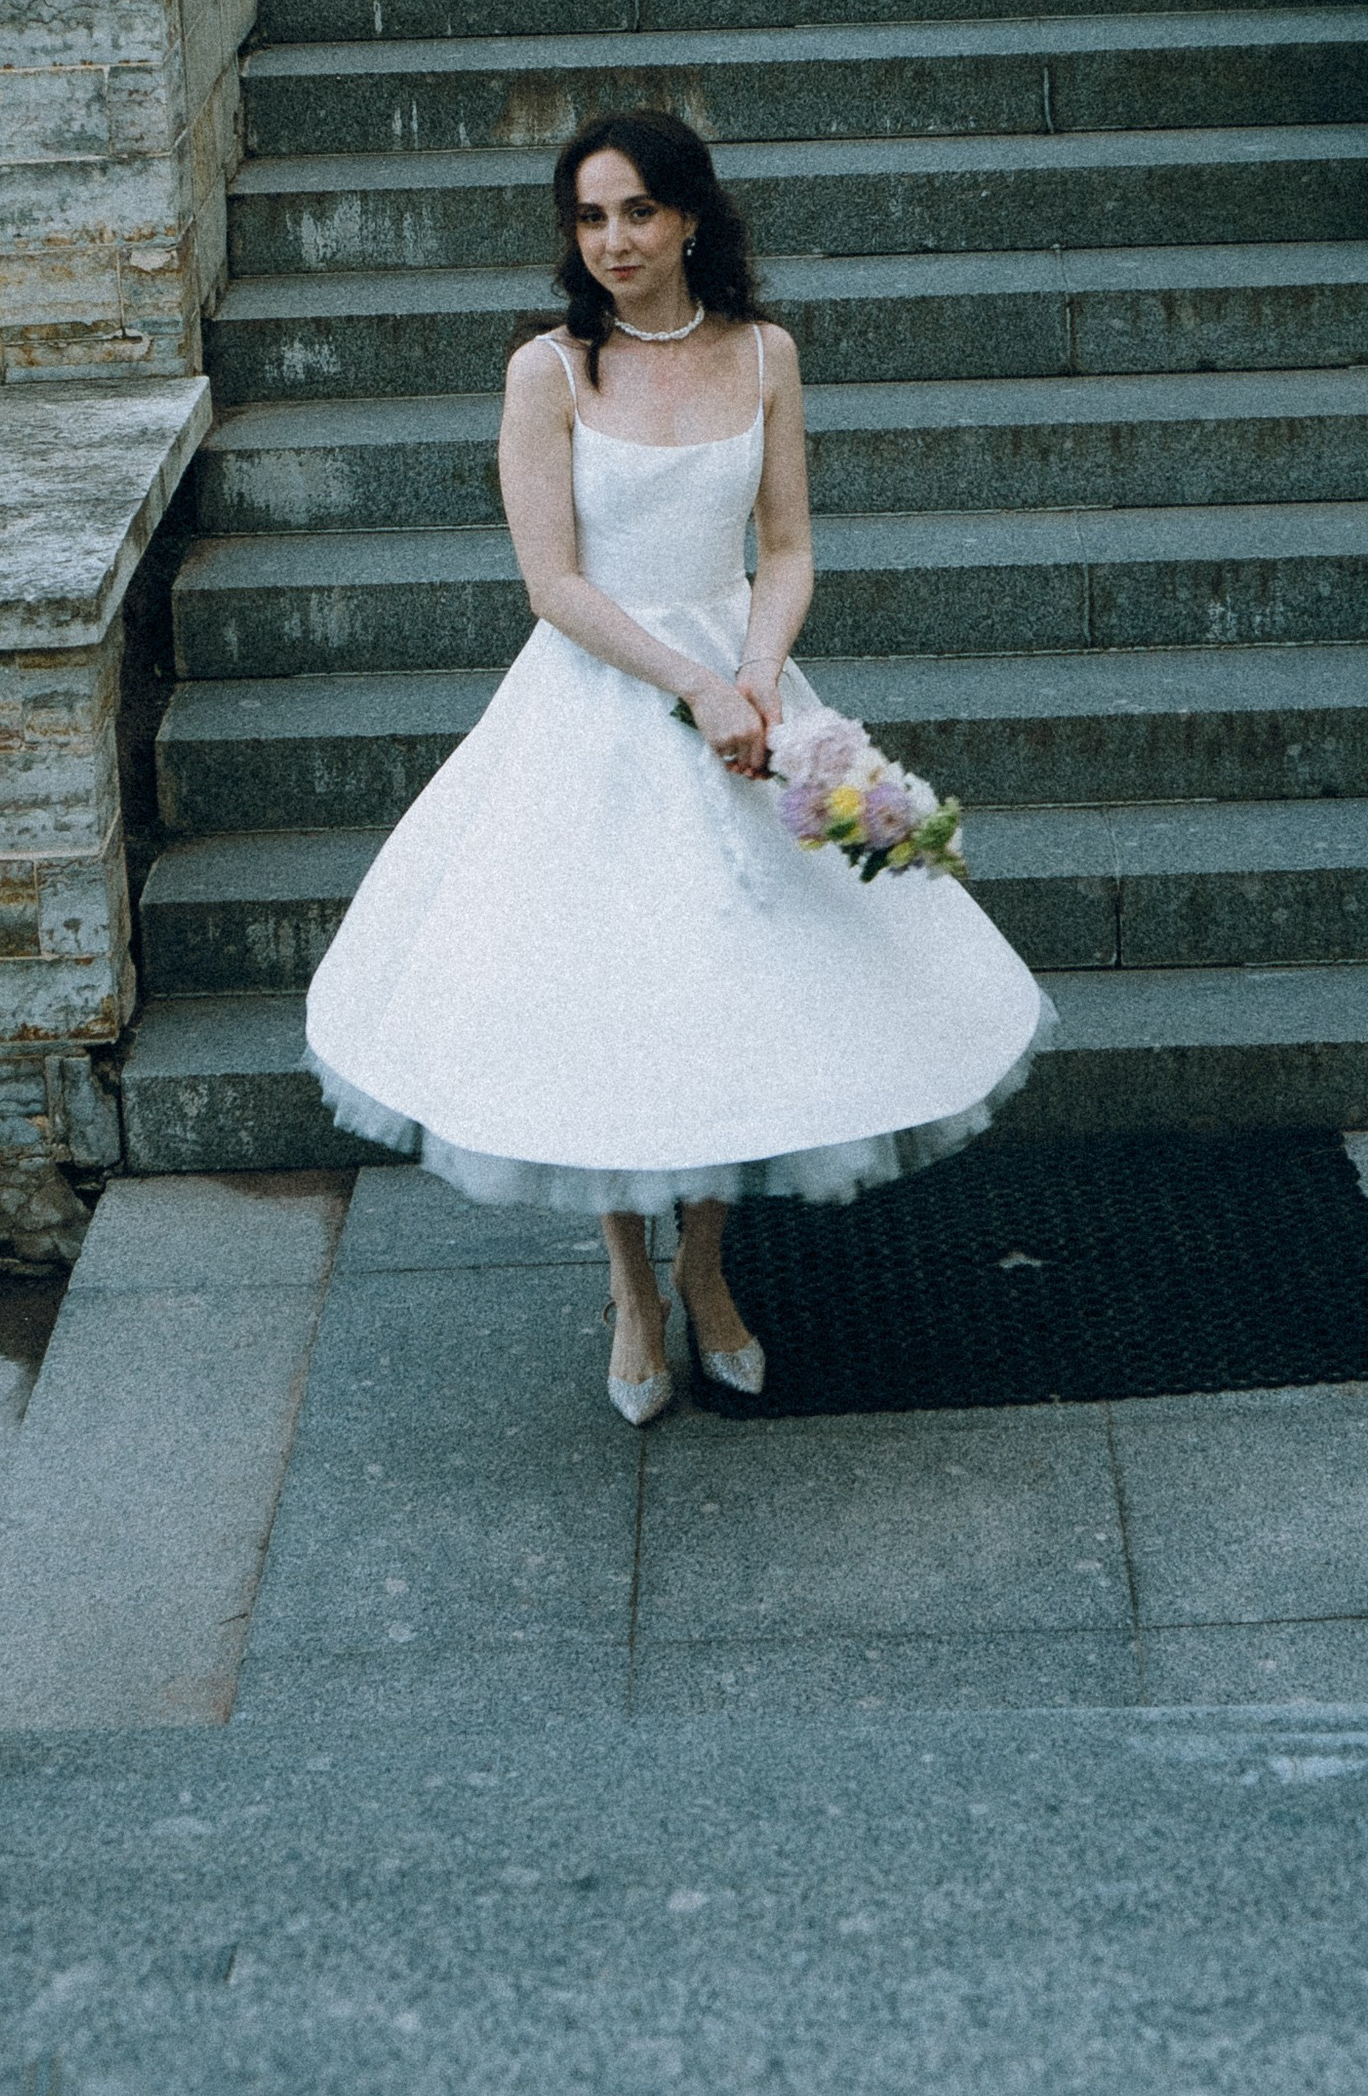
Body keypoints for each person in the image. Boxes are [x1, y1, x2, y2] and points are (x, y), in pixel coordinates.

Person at [303, 109, 1056, 1423]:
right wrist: (693, 683)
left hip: (743, 700)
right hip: (600, 705)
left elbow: (791, 545)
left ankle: (706, 1274)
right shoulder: (548, 374)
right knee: (609, 1004)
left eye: (636, 213)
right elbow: (553, 584)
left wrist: (758, 678)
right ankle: (631, 1294)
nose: (613, 242)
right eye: (590, 218)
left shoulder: (764, 354)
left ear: (691, 217)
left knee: (729, 1002)